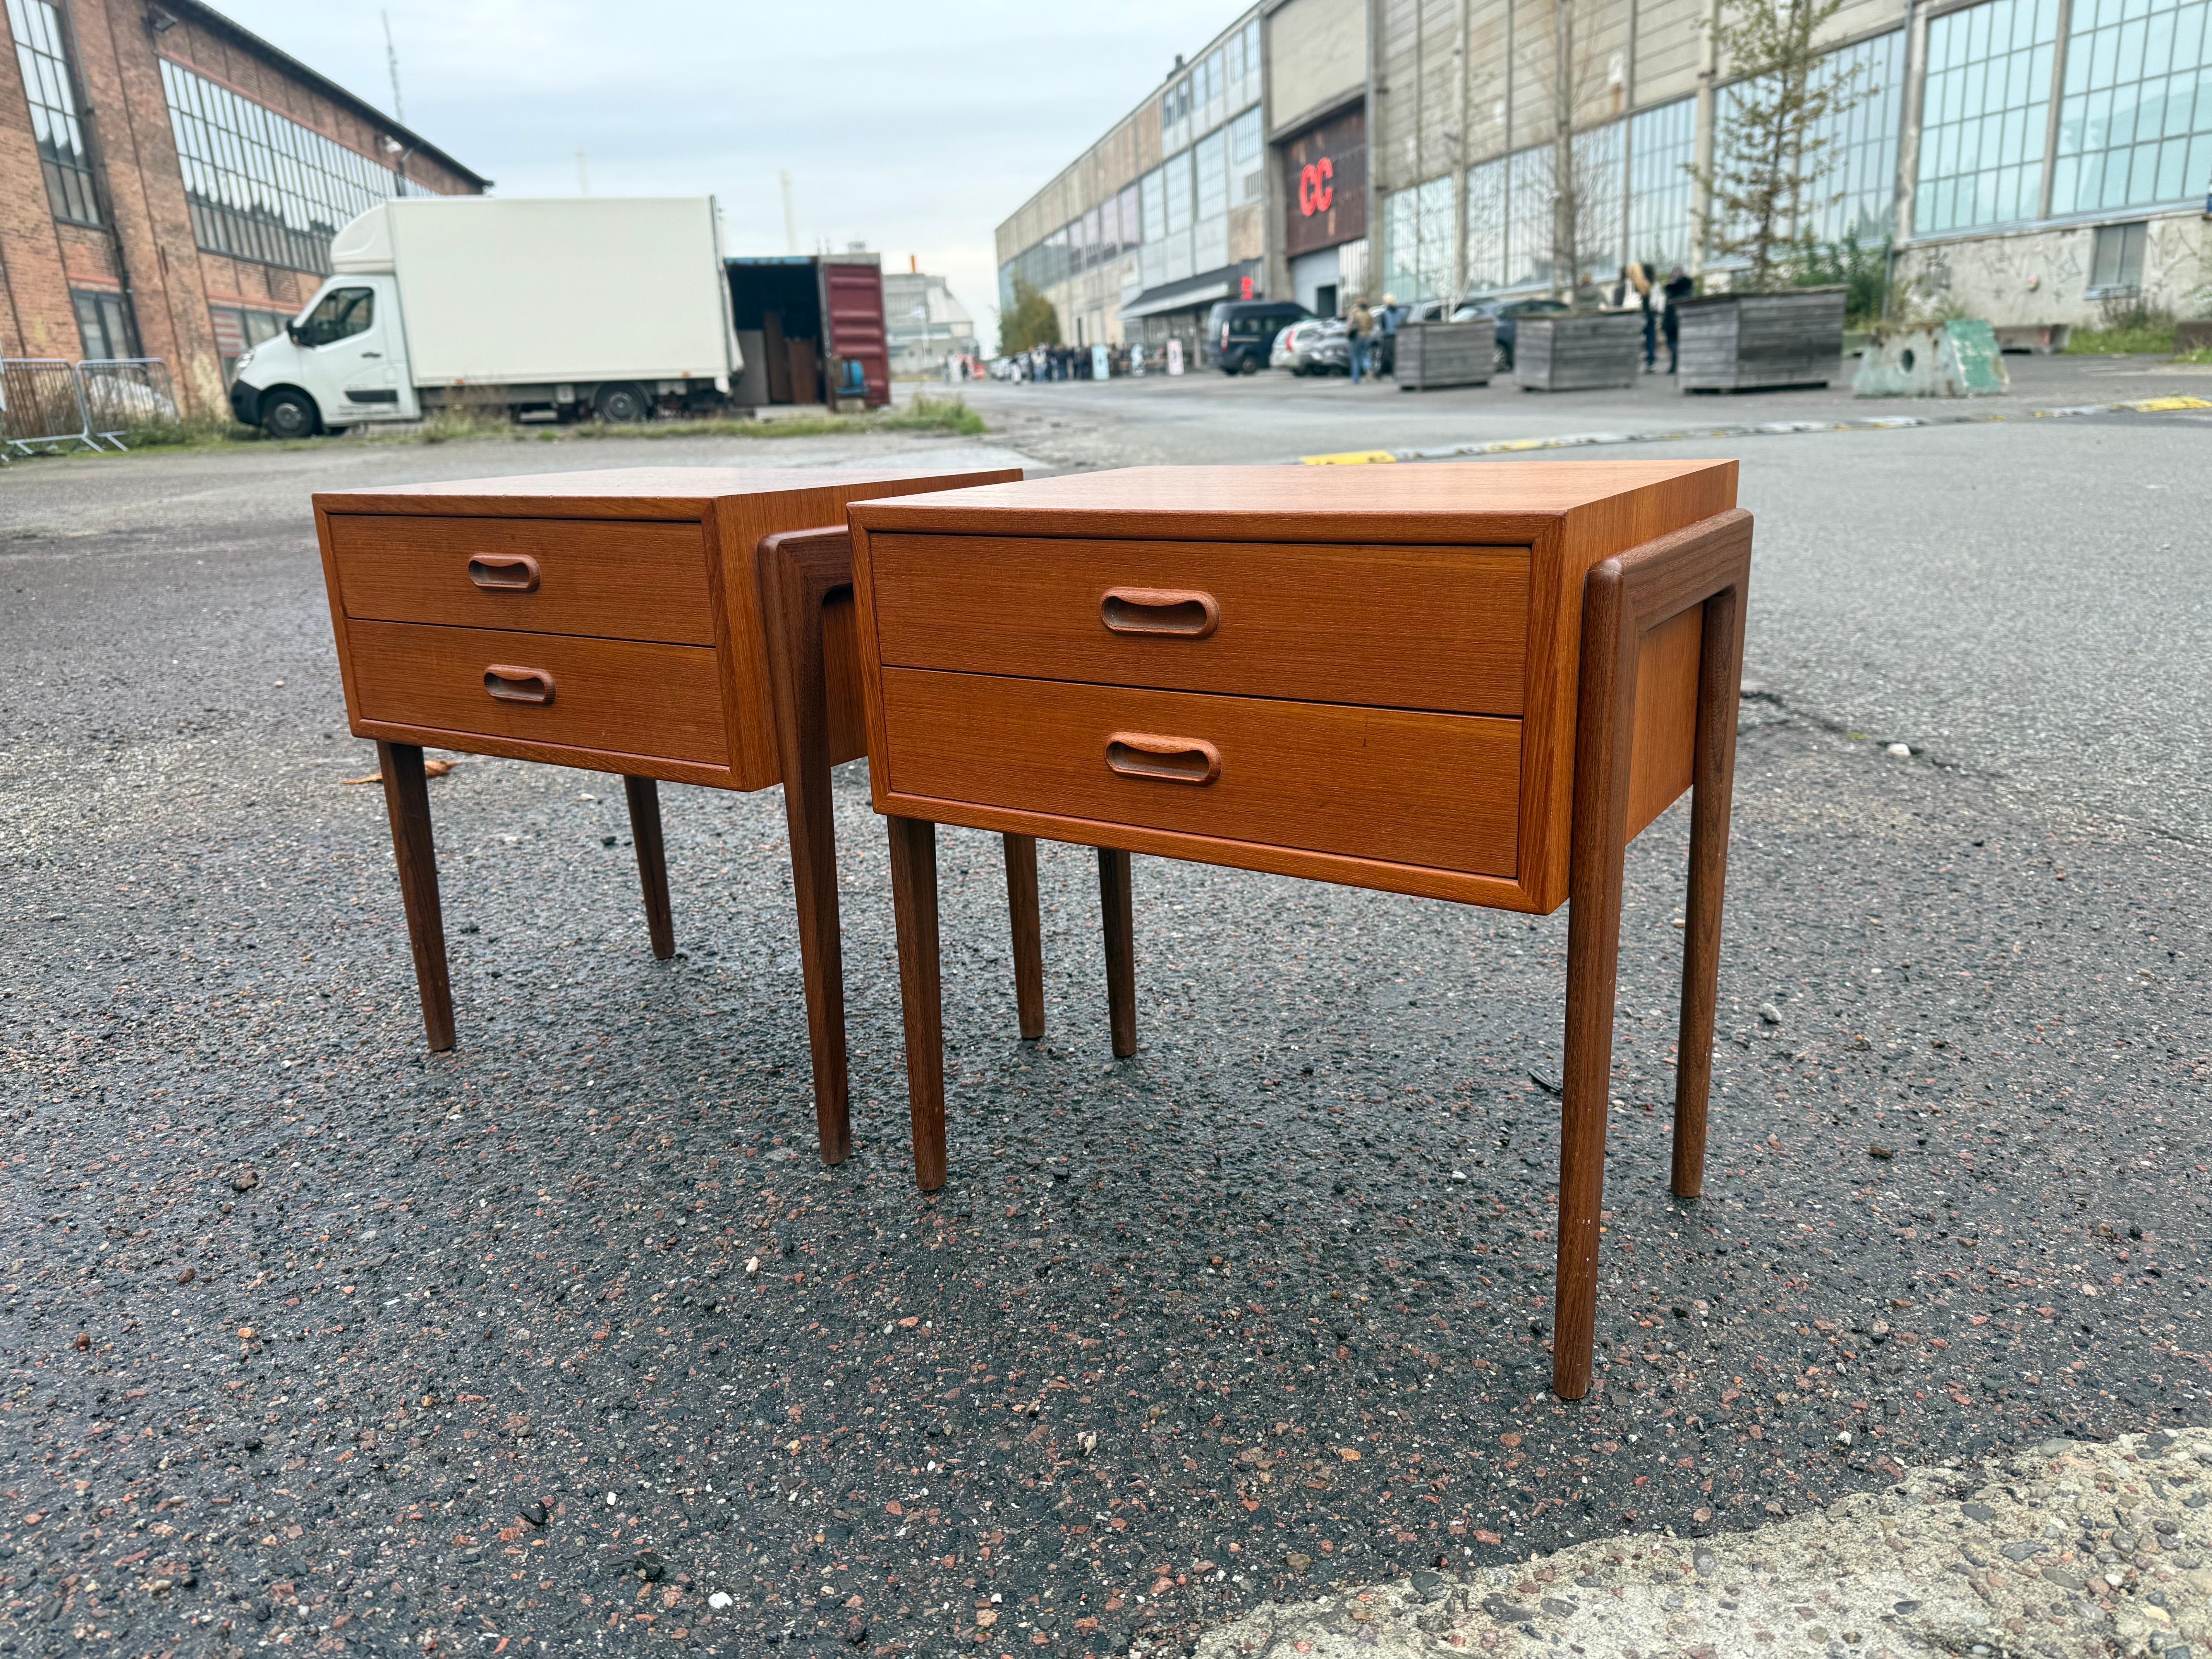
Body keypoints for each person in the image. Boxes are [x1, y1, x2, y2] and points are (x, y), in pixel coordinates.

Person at [1661, 267, 1693, 374]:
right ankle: (1678, 365)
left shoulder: (1671, 289)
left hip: (1672, 319)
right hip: (1683, 319)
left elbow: (1667, 307)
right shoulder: (1688, 287)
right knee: (1678, 343)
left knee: (1672, 343)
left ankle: (1675, 365)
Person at [1346, 298, 1375, 383]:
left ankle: (1356, 379)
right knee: (1365, 355)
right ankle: (1368, 368)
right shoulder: (1369, 314)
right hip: (1367, 336)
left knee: (1355, 357)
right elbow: (1371, 326)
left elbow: (1350, 325)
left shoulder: (1355, 314)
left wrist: (1348, 333)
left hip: (1358, 336)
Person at [1375, 292, 1402, 377]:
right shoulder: (1399, 312)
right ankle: (1394, 371)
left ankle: (1381, 373)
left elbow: (1383, 325)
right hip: (1398, 335)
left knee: (1385, 355)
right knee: (1395, 355)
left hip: (1388, 336)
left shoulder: (1385, 313)